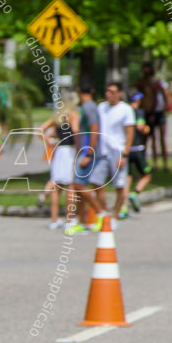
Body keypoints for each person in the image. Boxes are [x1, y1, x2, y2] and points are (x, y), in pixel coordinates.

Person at [89, 81, 136, 223]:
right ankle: (105, 212)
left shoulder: (125, 109)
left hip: (118, 151)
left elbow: (130, 133)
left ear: (119, 94)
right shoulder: (101, 107)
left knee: (119, 185)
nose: (108, 94)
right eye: (107, 91)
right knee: (96, 182)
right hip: (102, 151)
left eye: (112, 92)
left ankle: (116, 214)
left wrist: (125, 154)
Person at [67, 83, 106, 235]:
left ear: (78, 89)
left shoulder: (89, 107)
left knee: (78, 184)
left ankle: (101, 213)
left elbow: (94, 129)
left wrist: (89, 153)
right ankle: (80, 221)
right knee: (79, 186)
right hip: (85, 151)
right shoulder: (87, 106)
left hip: (87, 152)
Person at [37, 94, 80, 230]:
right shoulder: (73, 115)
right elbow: (75, 131)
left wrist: (48, 141)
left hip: (59, 150)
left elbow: (40, 130)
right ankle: (69, 219)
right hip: (69, 151)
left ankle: (55, 220)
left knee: (57, 187)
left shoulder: (57, 117)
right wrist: (79, 148)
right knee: (71, 186)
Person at [136, 62, 171, 172]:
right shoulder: (141, 83)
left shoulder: (157, 83)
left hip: (157, 112)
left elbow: (161, 97)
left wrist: (165, 108)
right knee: (148, 139)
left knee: (160, 139)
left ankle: (164, 164)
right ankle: (149, 163)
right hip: (148, 112)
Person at [124, 93, 154, 217]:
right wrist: (146, 128)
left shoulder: (124, 111)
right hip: (136, 148)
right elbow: (141, 127)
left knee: (128, 177)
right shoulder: (138, 112)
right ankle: (135, 193)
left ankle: (123, 207)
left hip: (125, 149)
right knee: (147, 174)